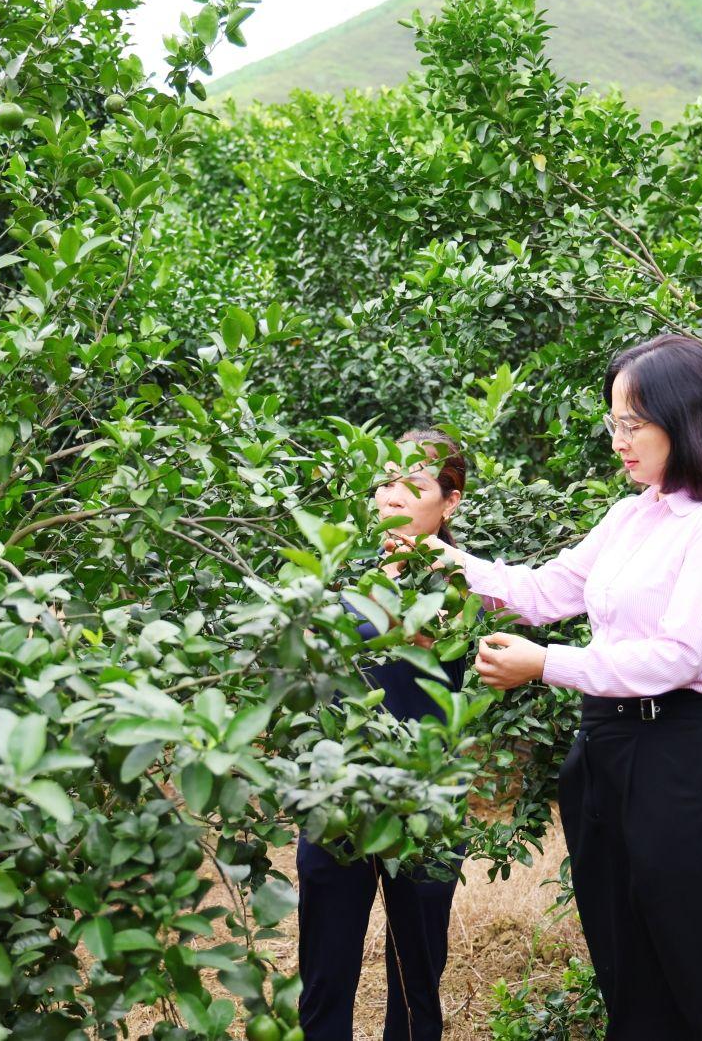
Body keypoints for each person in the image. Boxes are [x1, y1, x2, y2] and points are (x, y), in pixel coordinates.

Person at [395, 334, 702, 1039]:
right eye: (613, 423)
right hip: (604, 751)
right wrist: (443, 558)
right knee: (626, 973)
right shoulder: (633, 514)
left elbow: (676, 657)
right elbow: (546, 591)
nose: (619, 441)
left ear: (687, 419)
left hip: (676, 758)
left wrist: (545, 664)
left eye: (633, 423)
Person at [297, 428, 469, 1041]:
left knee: (416, 974)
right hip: (339, 791)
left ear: (449, 503)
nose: (392, 494)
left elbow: (451, 644)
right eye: (385, 480)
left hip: (424, 797)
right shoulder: (339, 569)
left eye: (413, 484)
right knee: (325, 970)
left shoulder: (462, 586)